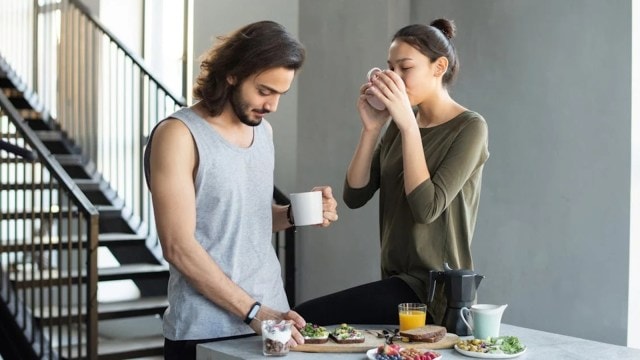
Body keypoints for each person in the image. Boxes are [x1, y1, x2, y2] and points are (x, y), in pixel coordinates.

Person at [143, 20, 338, 360]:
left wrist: (296, 214)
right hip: (204, 331)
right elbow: (178, 246)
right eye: (264, 91)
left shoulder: (264, 133)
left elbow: (246, 219)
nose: (273, 105)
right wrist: (253, 312)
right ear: (233, 73)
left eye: (280, 94)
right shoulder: (178, 135)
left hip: (273, 324)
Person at [294, 18, 489, 327]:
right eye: (390, 68)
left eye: (405, 68)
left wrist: (408, 126)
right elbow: (355, 195)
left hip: (435, 291)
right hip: (396, 281)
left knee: (306, 318)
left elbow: (426, 208)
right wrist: (372, 128)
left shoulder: (469, 127)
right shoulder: (400, 125)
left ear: (439, 67)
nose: (394, 78)